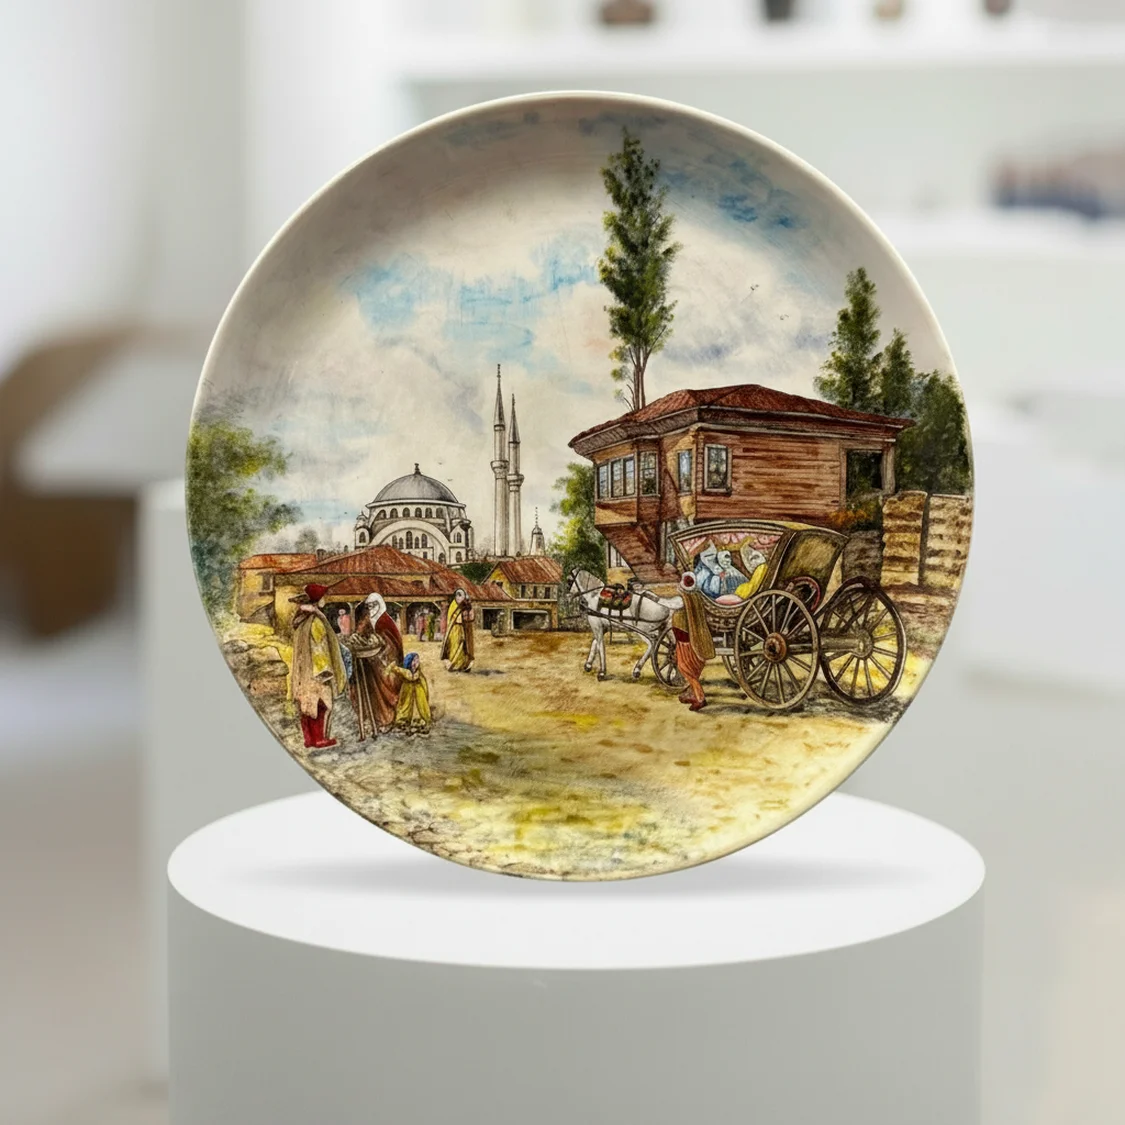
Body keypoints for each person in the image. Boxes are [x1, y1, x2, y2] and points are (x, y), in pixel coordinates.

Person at [289, 583, 348, 748]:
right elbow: (319, 648)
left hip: (303, 671)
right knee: (321, 704)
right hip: (317, 672)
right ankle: (319, 739)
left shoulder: (302, 620)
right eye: (323, 597)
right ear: (318, 600)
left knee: (305, 705)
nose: (325, 600)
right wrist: (325, 671)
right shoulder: (315, 622)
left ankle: (308, 740)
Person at [344, 592, 404, 738]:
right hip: (370, 662)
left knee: (384, 690)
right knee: (368, 689)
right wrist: (357, 636)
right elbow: (360, 630)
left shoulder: (385, 621)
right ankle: (371, 718)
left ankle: (386, 720)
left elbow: (393, 645)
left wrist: (381, 650)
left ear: (380, 604)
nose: (371, 608)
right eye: (369, 606)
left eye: (373, 605)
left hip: (383, 663)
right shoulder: (368, 618)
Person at [391, 652, 432, 734]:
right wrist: (393, 667)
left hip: (418, 693)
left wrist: (423, 692)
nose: (416, 663)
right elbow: (398, 671)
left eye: (417, 661)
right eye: (414, 660)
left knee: (419, 707)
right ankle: (403, 722)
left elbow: (422, 682)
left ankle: (418, 722)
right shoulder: (406, 672)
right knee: (405, 706)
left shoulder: (418, 673)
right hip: (407, 692)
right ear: (409, 662)